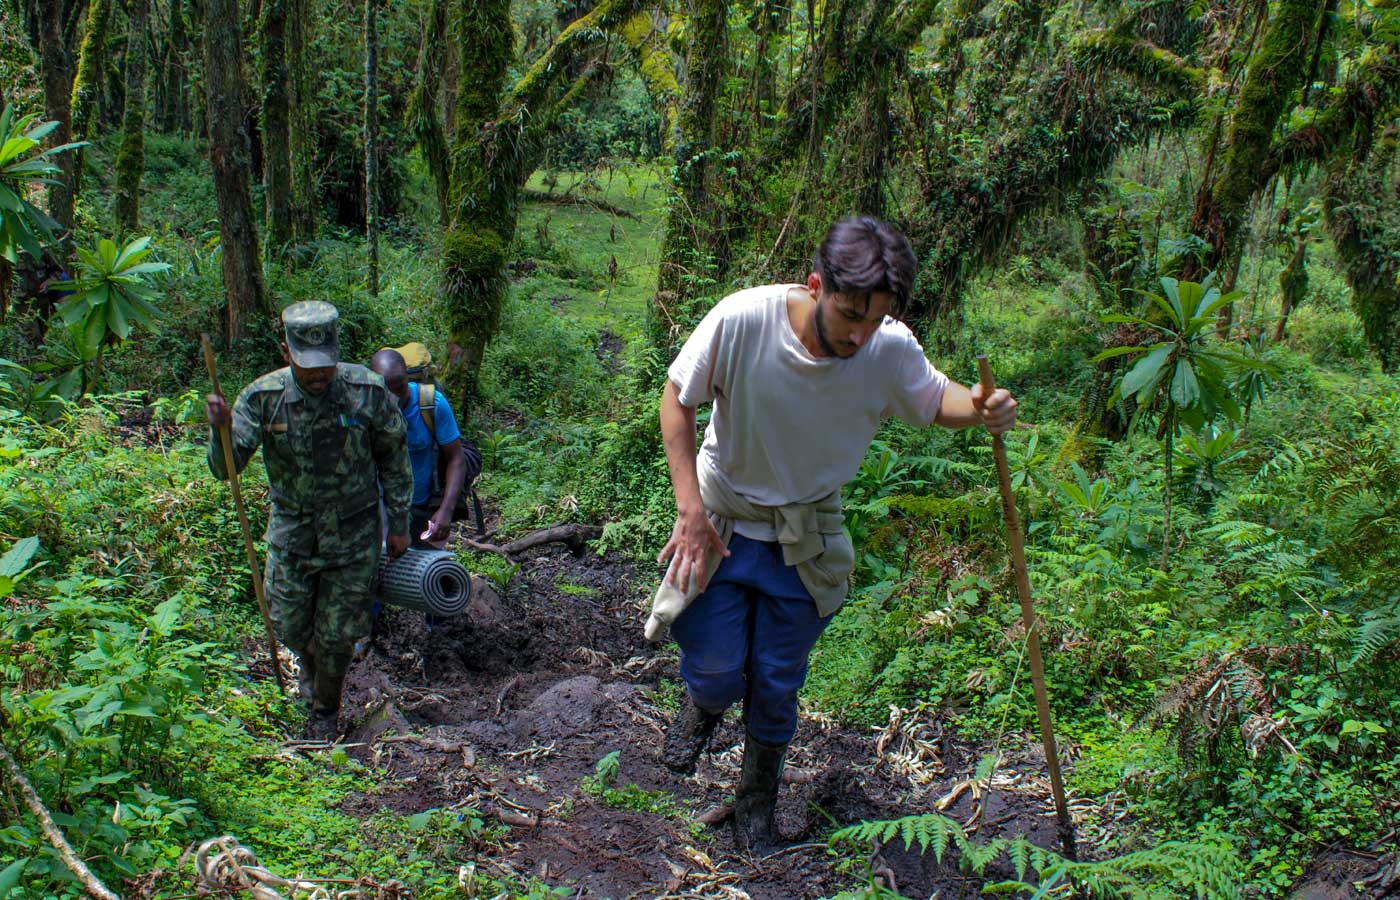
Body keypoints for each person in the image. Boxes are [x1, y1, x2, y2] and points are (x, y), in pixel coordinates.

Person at [654, 216, 1019, 853]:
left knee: (776, 678)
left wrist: (983, 408)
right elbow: (676, 398)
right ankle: (704, 706)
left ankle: (756, 804)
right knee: (714, 669)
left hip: (808, 533)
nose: (858, 334)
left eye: (873, 320)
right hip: (723, 518)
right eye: (849, 313)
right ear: (816, 284)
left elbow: (937, 400)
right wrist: (687, 507)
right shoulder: (745, 320)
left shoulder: (889, 347)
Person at [206, 301, 414, 740]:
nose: (318, 375)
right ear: (286, 353)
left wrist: (398, 523)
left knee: (338, 636)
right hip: (293, 535)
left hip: (354, 534)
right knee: (290, 623)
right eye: (307, 367)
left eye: (325, 366)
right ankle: (311, 670)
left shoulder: (368, 391)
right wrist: (220, 430)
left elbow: (394, 459)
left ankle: (324, 711)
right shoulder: (262, 397)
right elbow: (226, 469)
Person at [368, 348, 467, 550]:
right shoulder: (364, 408)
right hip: (379, 509)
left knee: (428, 573)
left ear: (407, 377)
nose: (395, 398)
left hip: (422, 507)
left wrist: (445, 511)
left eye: (400, 388)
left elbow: (456, 458)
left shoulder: (431, 404)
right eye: (388, 391)